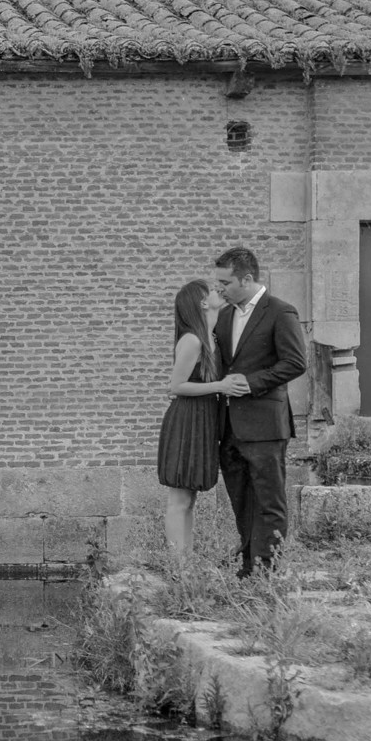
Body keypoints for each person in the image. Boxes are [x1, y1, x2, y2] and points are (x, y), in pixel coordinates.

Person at [210, 247, 307, 577]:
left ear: (246, 279)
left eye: (224, 282)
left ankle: (267, 573)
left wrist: (250, 383)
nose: (219, 288)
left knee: (269, 501)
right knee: (241, 499)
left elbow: (295, 363)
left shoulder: (280, 312)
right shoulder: (224, 316)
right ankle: (248, 567)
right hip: (230, 427)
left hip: (266, 425)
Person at [157, 278, 244, 558]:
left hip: (202, 420)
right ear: (202, 303)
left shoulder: (211, 337)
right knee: (180, 498)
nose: (218, 291)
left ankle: (187, 563)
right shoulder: (193, 340)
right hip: (187, 421)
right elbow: (176, 386)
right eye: (211, 291)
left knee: (190, 498)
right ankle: (177, 567)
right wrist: (220, 386)